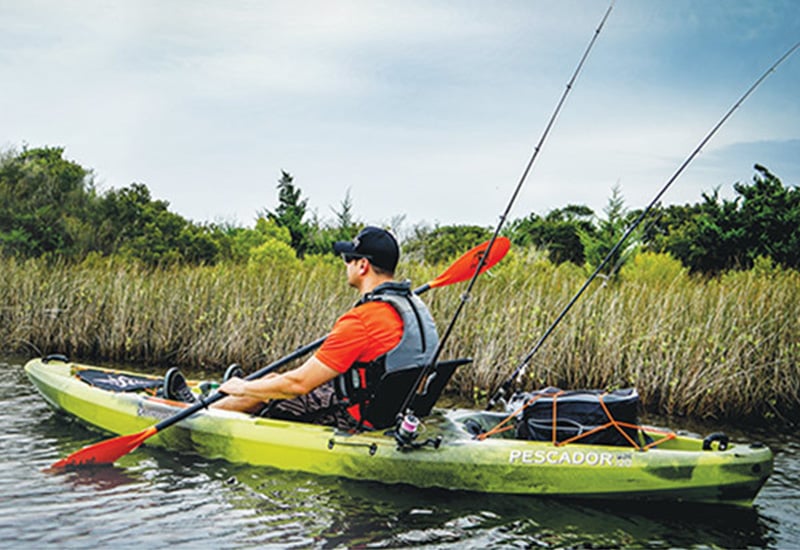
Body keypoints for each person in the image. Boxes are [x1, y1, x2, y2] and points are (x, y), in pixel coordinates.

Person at [163, 226, 439, 431]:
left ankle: (189, 414)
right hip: (391, 411)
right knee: (271, 378)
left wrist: (242, 387)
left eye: (348, 260)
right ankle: (213, 399)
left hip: (355, 417)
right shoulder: (414, 308)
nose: (345, 266)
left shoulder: (362, 320)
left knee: (263, 393)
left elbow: (297, 385)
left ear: (363, 265)